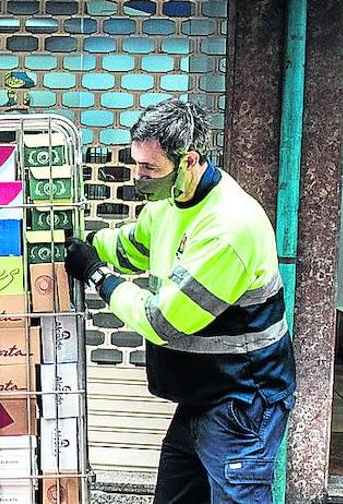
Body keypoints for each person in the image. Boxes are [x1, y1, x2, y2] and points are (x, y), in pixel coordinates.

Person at [64, 98, 296, 504]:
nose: (139, 177)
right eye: (136, 163)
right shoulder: (169, 206)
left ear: (188, 161)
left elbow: (163, 321)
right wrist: (76, 244)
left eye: (149, 168)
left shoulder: (228, 228)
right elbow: (130, 246)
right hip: (202, 394)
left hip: (242, 402)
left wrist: (97, 276)